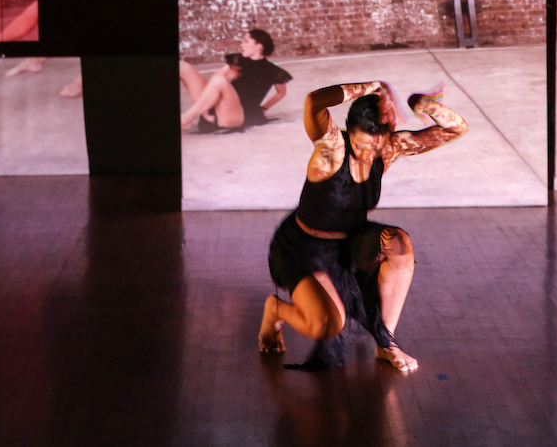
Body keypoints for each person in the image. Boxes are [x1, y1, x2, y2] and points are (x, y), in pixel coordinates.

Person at [258, 80, 468, 372]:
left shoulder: (388, 149)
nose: (370, 154)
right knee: (327, 326)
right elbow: (313, 101)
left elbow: (456, 129)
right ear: (350, 134)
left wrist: (425, 105)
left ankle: (386, 344)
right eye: (361, 146)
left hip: (351, 242)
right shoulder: (331, 149)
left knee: (399, 242)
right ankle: (276, 309)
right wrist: (371, 87)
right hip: (304, 249)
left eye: (377, 146)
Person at [179, 29, 291, 131]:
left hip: (237, 116)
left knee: (219, 80)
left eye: (246, 42)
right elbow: (213, 81)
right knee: (183, 67)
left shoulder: (274, 70)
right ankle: (204, 113)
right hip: (219, 109)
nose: (242, 45)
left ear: (259, 46)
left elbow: (281, 93)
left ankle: (187, 116)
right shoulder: (238, 61)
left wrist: (263, 108)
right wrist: (228, 78)